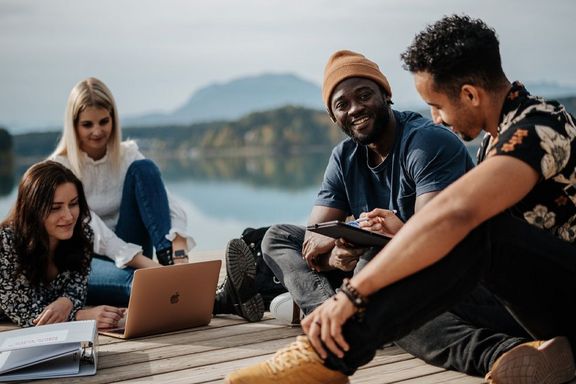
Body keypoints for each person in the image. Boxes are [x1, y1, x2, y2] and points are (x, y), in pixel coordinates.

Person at [226, 15, 576, 384]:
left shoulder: (540, 126)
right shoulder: (496, 140)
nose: (436, 119)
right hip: (532, 306)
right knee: (412, 304)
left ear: (470, 94)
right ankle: (328, 348)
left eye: (437, 105)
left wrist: (354, 295)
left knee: (472, 229)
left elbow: (457, 214)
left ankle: (326, 357)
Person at [49, 77, 264, 321]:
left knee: (145, 169)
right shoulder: (60, 168)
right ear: (73, 125)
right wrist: (153, 269)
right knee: (138, 282)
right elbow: (99, 236)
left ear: (113, 119)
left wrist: (179, 255)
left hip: (131, 245)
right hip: (85, 258)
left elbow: (166, 205)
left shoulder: (127, 154)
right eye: (87, 124)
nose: (97, 131)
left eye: (104, 121)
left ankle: (172, 264)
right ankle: (219, 301)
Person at [0, 161, 124, 329]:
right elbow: (25, 312)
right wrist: (82, 316)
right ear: (32, 210)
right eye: (55, 208)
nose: (68, 217)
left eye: (73, 204)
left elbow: (79, 290)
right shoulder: (6, 241)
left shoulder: (82, 234)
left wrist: (66, 301)